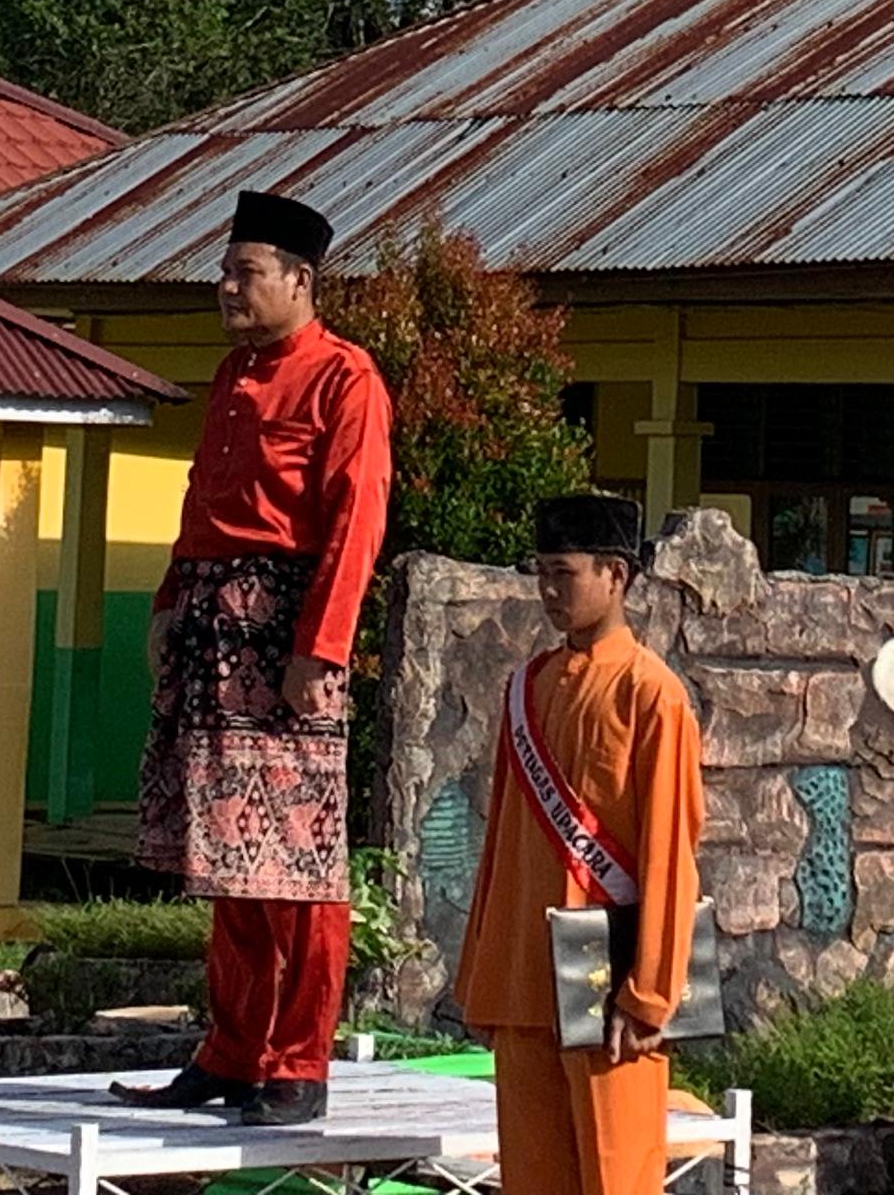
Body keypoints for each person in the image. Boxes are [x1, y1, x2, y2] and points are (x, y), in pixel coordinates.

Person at [119, 192, 395, 1125]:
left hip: (285, 632)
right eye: (224, 272)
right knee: (228, 855)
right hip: (210, 624)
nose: (228, 289)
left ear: (300, 281)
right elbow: (202, 499)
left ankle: (296, 1062)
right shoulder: (233, 376)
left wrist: (322, 649)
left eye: (247, 272)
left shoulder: (344, 378)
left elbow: (356, 522)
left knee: (296, 864)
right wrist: (169, 600)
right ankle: (231, 1051)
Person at [455, 494, 707, 1195]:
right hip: (523, 979)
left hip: (608, 985)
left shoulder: (651, 693)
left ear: (616, 576)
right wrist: (483, 975)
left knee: (615, 1178)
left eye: (564, 574)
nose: (548, 591)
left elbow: (669, 851)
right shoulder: (525, 687)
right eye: (542, 573)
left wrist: (650, 993)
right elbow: (501, 839)